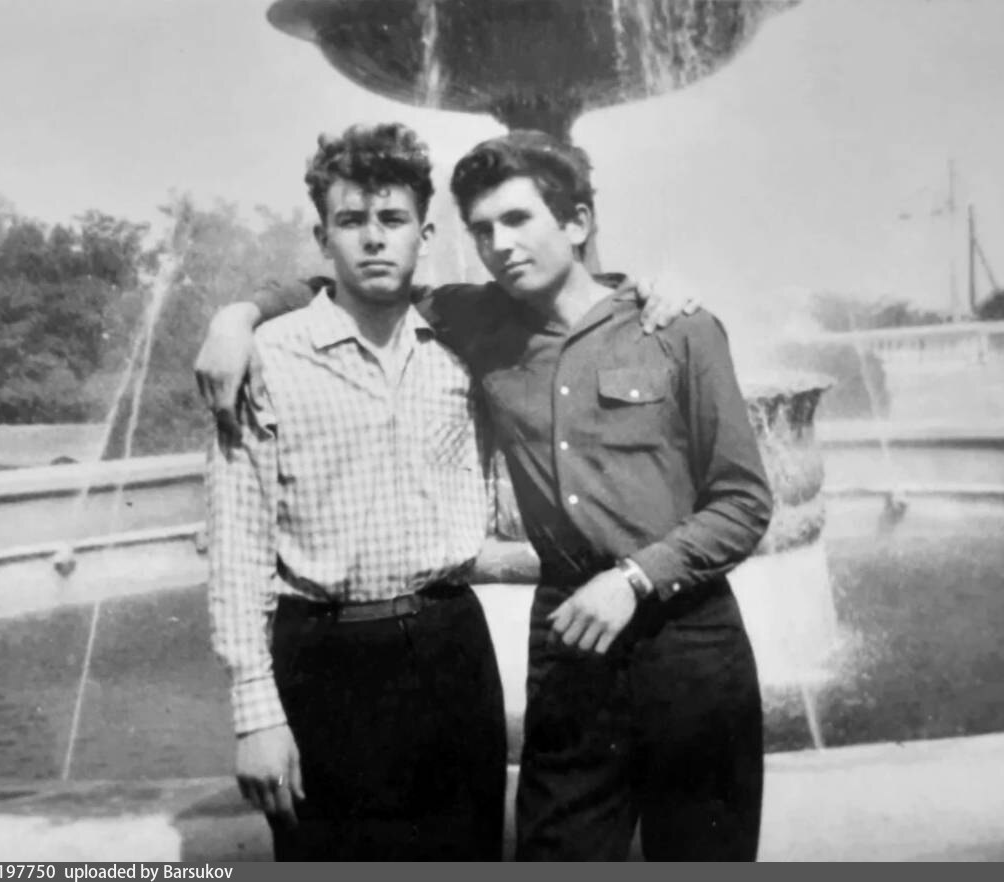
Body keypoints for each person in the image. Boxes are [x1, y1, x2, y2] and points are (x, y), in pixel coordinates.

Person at [198, 130, 769, 861]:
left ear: (578, 223)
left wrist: (634, 577)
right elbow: (351, 283)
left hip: (685, 642)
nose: (500, 245)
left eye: (518, 220)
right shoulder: (468, 327)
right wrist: (238, 315)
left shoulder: (674, 329)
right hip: (556, 645)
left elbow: (744, 501)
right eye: (484, 229)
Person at [206, 122, 506, 860]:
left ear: (424, 235)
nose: (374, 238)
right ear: (322, 237)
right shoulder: (265, 358)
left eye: (393, 219)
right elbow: (238, 547)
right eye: (352, 220)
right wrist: (255, 714)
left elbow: (570, 300)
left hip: (452, 646)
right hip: (324, 661)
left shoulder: (459, 351)